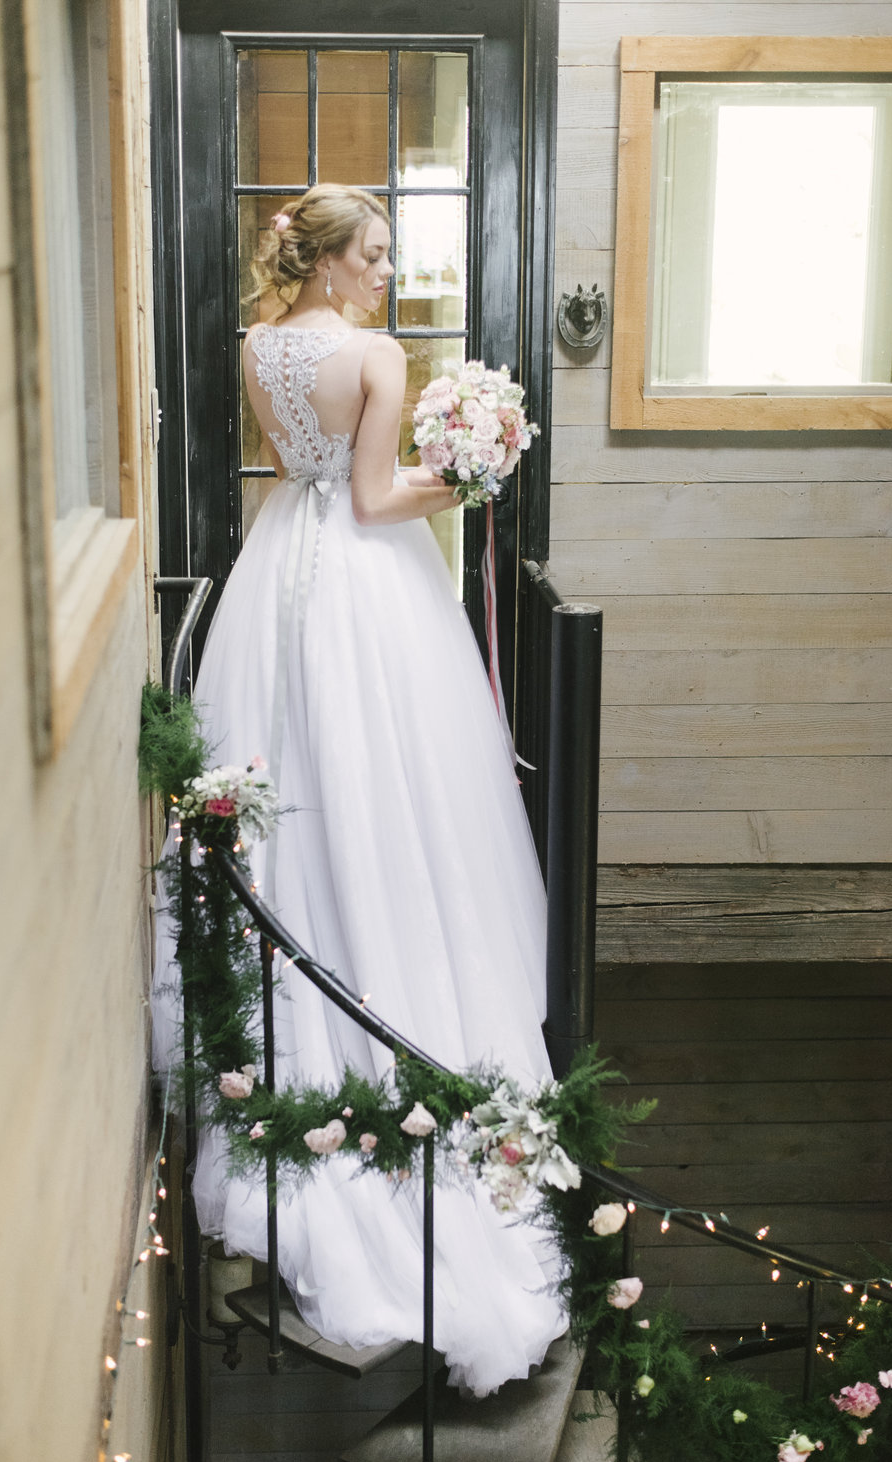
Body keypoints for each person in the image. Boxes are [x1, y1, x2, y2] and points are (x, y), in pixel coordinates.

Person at [152, 184, 565, 1396]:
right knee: (391, 778)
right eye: (371, 254)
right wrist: (471, 476)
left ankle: (310, 946)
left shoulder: (257, 347)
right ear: (326, 260)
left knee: (299, 762)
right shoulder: (373, 353)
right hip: (369, 588)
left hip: (281, 561)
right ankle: (394, 974)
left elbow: (307, 471)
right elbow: (382, 498)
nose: (386, 271)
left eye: (387, 255)